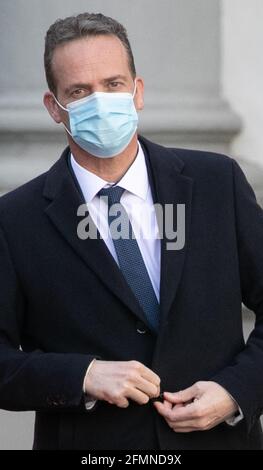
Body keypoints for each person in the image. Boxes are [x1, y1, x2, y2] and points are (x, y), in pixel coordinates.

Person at [0, 12, 262, 451]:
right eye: (79, 92)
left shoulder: (218, 183)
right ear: (53, 107)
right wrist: (81, 375)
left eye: (113, 84)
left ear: (137, 92)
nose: (100, 101)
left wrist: (237, 390)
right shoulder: (14, 220)